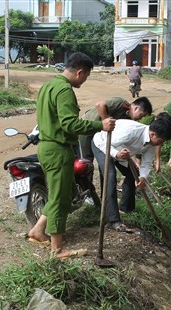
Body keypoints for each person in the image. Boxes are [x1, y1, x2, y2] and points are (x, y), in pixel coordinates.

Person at [27, 52, 116, 259]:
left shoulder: (48, 86)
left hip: (47, 147)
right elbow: (70, 124)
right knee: (59, 198)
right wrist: (99, 125)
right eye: (86, 77)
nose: (84, 81)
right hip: (57, 150)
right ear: (79, 72)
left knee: (63, 195)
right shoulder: (64, 90)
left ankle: (38, 230)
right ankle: (57, 250)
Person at [91, 113, 171, 232]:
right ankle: (113, 220)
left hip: (122, 153)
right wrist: (116, 154)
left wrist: (143, 177)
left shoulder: (152, 142)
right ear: (153, 134)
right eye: (160, 141)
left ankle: (126, 208)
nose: (160, 144)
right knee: (110, 177)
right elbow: (106, 142)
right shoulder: (131, 131)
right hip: (103, 145)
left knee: (133, 175)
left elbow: (146, 162)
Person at [78, 96, 153, 161]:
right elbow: (99, 105)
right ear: (136, 108)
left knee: (104, 161)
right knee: (86, 160)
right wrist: (106, 122)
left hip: (100, 135)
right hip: (88, 127)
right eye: (141, 115)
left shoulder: (128, 121)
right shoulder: (121, 103)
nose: (140, 119)